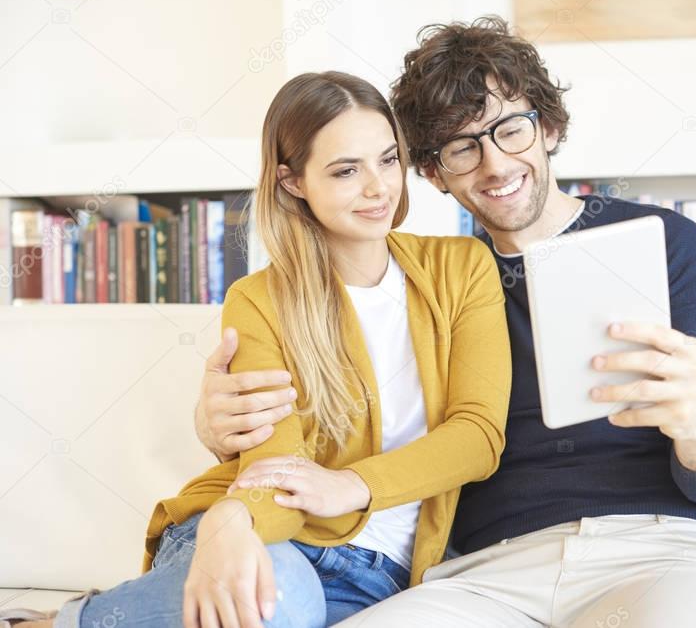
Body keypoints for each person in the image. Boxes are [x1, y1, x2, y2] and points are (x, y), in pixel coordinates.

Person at [194, 17, 696, 627]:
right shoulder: (443, 284)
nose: (494, 165)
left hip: (657, 551)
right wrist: (218, 427)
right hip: (484, 574)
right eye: (463, 147)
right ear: (432, 172)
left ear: (550, 126)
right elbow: (350, 409)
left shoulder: (666, 246)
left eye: (511, 129)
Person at [4, 71, 511, 628]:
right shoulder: (259, 300)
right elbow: (275, 465)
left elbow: (478, 435)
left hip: (379, 574)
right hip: (274, 534)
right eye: (346, 170)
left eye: (388, 160)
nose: (379, 188)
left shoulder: (461, 267)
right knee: (277, 603)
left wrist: (349, 485)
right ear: (293, 182)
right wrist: (231, 521)